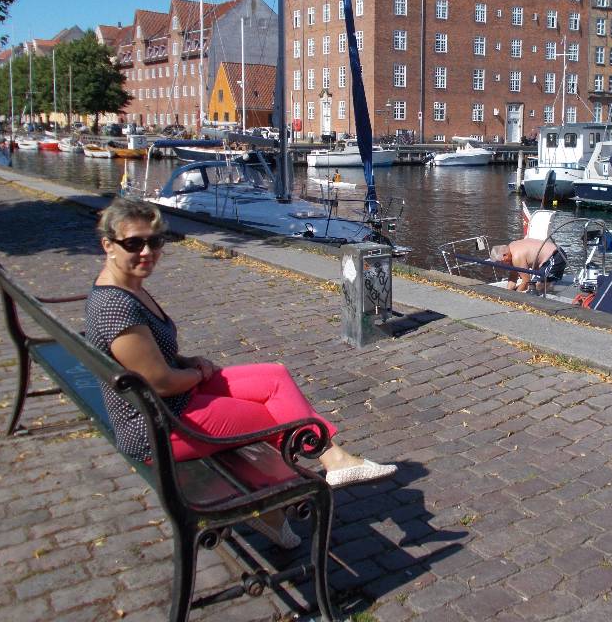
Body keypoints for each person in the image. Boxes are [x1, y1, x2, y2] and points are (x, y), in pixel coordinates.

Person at [86, 197, 396, 548]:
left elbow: (151, 356)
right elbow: (161, 382)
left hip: (171, 403)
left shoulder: (128, 286)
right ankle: (278, 503)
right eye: (133, 243)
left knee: (275, 377)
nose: (147, 251)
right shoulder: (116, 307)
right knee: (274, 416)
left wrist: (188, 361)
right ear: (108, 245)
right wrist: (197, 375)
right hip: (158, 426)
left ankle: (332, 461)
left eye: (154, 241)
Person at [489, 237, 567, 293]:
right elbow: (513, 276)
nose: (503, 265)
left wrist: (515, 296)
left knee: (536, 286)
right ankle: (550, 284)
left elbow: (526, 280)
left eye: (502, 262)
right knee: (536, 284)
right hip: (549, 258)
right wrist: (507, 292)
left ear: (505, 255)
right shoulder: (511, 247)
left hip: (556, 255)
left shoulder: (516, 256)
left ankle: (550, 288)